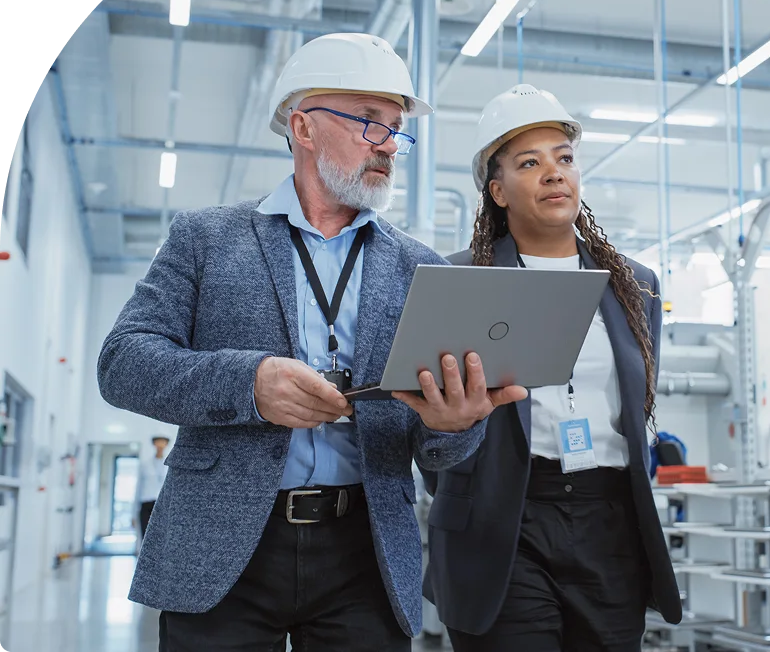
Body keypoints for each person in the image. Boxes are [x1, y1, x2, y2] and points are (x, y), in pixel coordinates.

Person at [97, 32, 527, 652]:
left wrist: (455, 425)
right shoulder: (206, 238)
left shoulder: (421, 269)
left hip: (366, 553)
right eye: (370, 122)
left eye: (396, 130)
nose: (389, 145)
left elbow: (435, 452)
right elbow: (123, 362)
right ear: (303, 127)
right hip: (222, 544)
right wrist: (250, 384)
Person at [420, 84, 683, 652]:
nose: (553, 173)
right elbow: (431, 421)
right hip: (501, 521)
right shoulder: (460, 279)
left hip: (609, 520)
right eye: (529, 163)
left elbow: (638, 405)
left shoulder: (634, 285)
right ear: (497, 191)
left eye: (564, 158)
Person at [134, 435, 170, 542]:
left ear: (166, 444)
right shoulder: (145, 465)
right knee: (145, 538)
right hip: (146, 505)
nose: (160, 445)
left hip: (163, 505)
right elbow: (138, 488)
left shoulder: (169, 466)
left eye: (163, 442)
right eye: (158, 442)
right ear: (154, 444)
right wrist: (133, 513)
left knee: (162, 538)